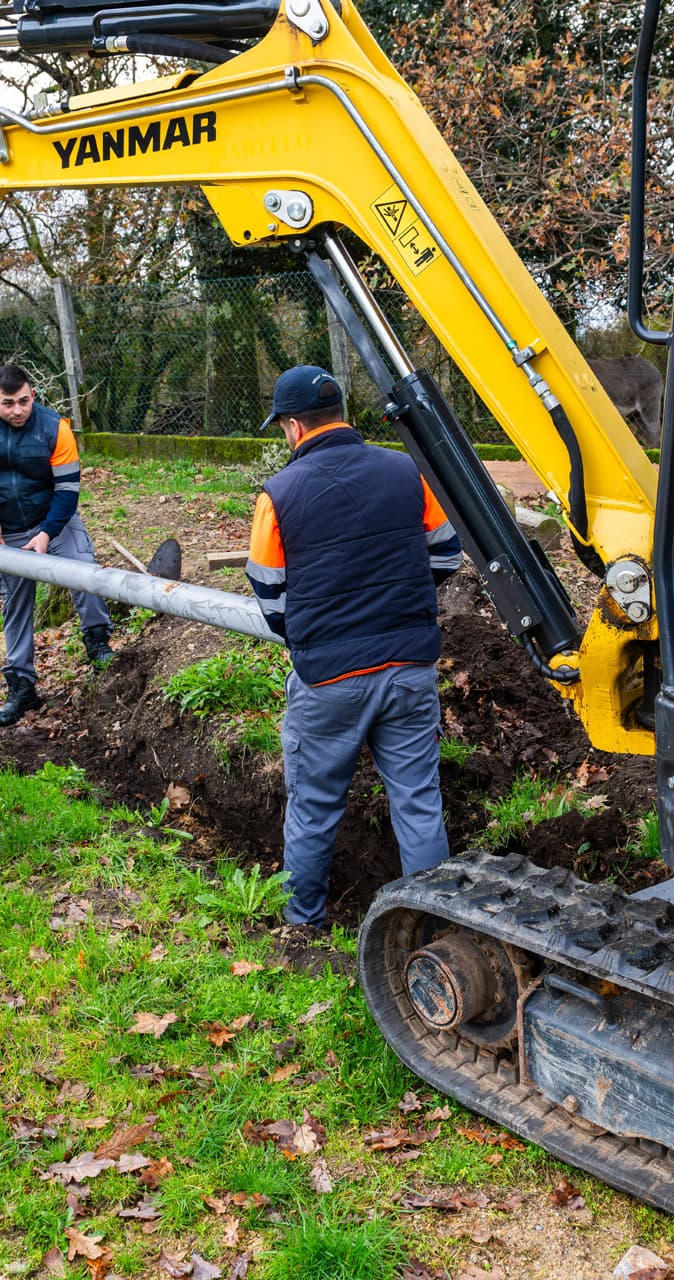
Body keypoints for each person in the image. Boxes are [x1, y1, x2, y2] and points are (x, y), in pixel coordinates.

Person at [244, 365, 465, 933]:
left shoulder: (279, 494)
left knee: (315, 806)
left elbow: (271, 598)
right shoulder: (404, 471)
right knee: (417, 802)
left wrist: (320, 631)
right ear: (342, 414)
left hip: (330, 678)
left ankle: (304, 922)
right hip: (409, 666)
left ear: (293, 428)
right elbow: (446, 556)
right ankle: (432, 932)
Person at [0, 364, 112, 728]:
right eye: (9, 403)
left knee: (86, 574)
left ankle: (99, 644)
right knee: (15, 603)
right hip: (6, 526)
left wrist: (46, 534)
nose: (18, 410)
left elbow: (68, 490)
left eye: (24, 401)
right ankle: (21, 687)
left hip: (54, 520)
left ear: (33, 396)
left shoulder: (56, 429)